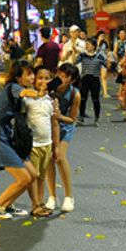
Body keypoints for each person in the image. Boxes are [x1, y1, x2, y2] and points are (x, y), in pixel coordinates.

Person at [0, 61, 43, 220]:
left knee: (33, 174)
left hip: (9, 136)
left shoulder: (19, 91)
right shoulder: (13, 87)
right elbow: (24, 93)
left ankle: (8, 204)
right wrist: (38, 93)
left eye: (32, 73)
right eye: (28, 74)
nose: (32, 77)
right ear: (18, 78)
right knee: (23, 178)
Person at [44, 63, 80, 213]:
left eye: (65, 77)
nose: (61, 78)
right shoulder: (49, 87)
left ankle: (69, 196)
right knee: (48, 159)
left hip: (64, 127)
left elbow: (73, 119)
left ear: (72, 81)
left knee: (60, 157)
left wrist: (59, 116)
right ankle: (52, 196)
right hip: (47, 126)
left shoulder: (74, 94)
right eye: (60, 74)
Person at [27, 66, 61, 217]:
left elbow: (54, 124)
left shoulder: (51, 101)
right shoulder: (28, 98)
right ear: (33, 80)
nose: (43, 81)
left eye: (47, 78)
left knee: (41, 177)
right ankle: (34, 204)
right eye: (40, 78)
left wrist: (56, 146)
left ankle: (39, 203)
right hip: (33, 145)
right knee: (33, 176)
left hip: (46, 144)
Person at [76, 37, 105, 124]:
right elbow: (75, 62)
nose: (86, 47)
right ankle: (81, 117)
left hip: (95, 79)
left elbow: (107, 65)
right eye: (86, 45)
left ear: (93, 46)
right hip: (84, 79)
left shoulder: (99, 56)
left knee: (95, 99)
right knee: (83, 99)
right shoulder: (82, 55)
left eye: (88, 45)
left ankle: (97, 117)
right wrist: (75, 53)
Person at [97, 31, 111, 98]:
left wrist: (108, 60)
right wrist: (98, 42)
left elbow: (107, 52)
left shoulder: (105, 43)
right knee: (95, 77)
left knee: (104, 77)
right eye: (101, 36)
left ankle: (105, 93)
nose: (102, 37)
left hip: (103, 60)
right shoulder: (95, 42)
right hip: (96, 61)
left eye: (103, 36)